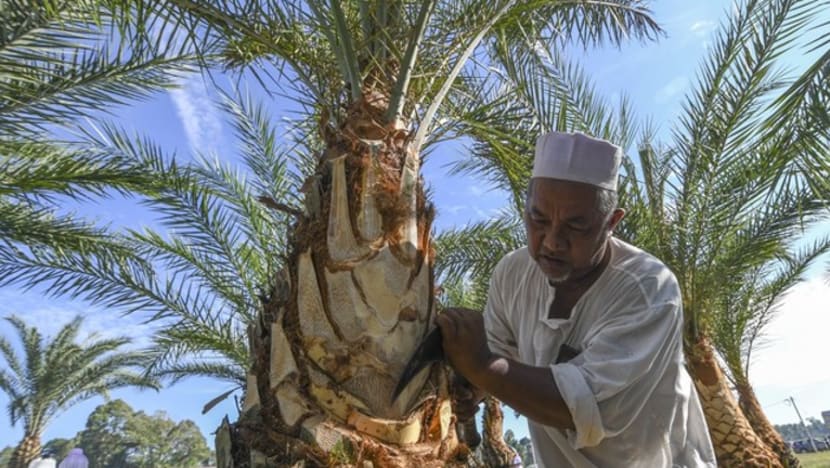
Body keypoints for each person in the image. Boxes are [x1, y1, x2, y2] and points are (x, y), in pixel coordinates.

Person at [437, 131, 716, 467]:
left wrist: (481, 367)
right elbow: (500, 355)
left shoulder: (648, 288)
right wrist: (472, 388)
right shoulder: (513, 274)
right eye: (538, 219)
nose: (552, 241)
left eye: (576, 226)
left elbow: (582, 407)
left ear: (612, 222)